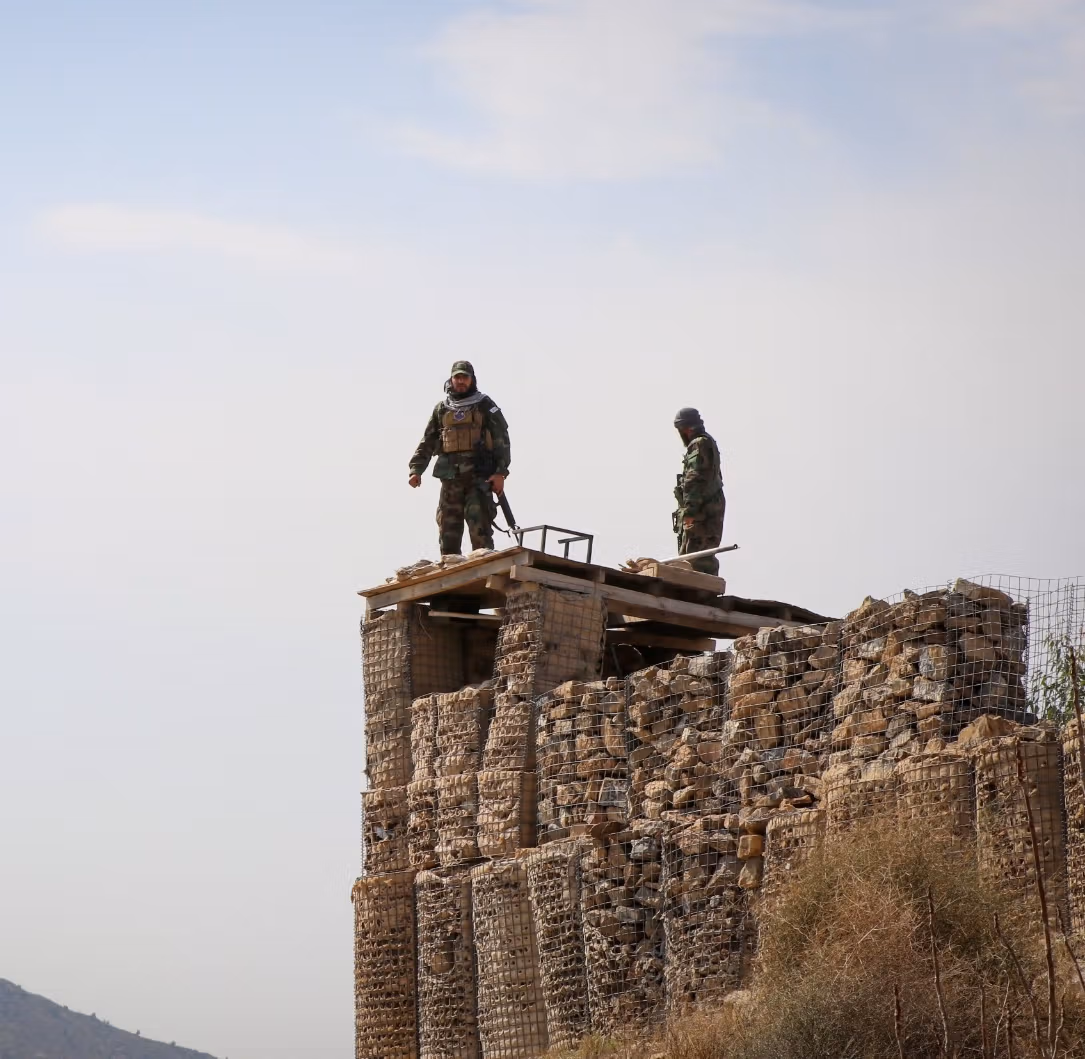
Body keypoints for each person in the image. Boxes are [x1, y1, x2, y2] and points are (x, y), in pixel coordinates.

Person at [409, 361, 511, 555]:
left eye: (465, 377)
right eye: (457, 377)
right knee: (448, 532)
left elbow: (501, 440)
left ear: (472, 379)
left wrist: (500, 473)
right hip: (450, 480)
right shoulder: (442, 409)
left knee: (480, 532)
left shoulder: (485, 405)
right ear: (451, 379)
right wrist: (416, 470)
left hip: (478, 478)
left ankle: (482, 574)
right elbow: (428, 441)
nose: (461, 381)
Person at [672, 407, 725, 575]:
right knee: (703, 554)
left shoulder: (698, 444)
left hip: (701, 510)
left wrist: (690, 510)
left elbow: (694, 479)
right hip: (709, 507)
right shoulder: (708, 442)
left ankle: (695, 592)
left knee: (694, 557)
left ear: (685, 429)